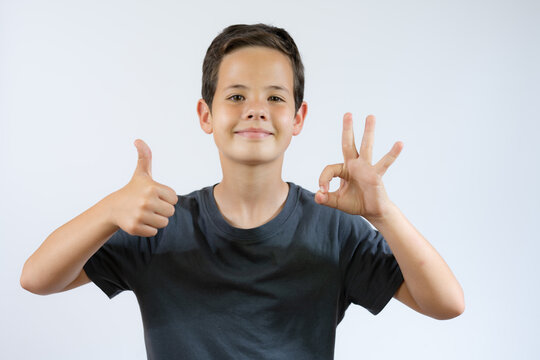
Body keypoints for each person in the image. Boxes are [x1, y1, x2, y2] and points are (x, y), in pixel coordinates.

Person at [20, 23, 464, 359]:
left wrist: (383, 213)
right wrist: (109, 210)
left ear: (299, 118)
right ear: (205, 114)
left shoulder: (333, 228)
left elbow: (446, 304)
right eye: (235, 97)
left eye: (274, 97)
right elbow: (37, 278)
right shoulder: (158, 223)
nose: (255, 109)